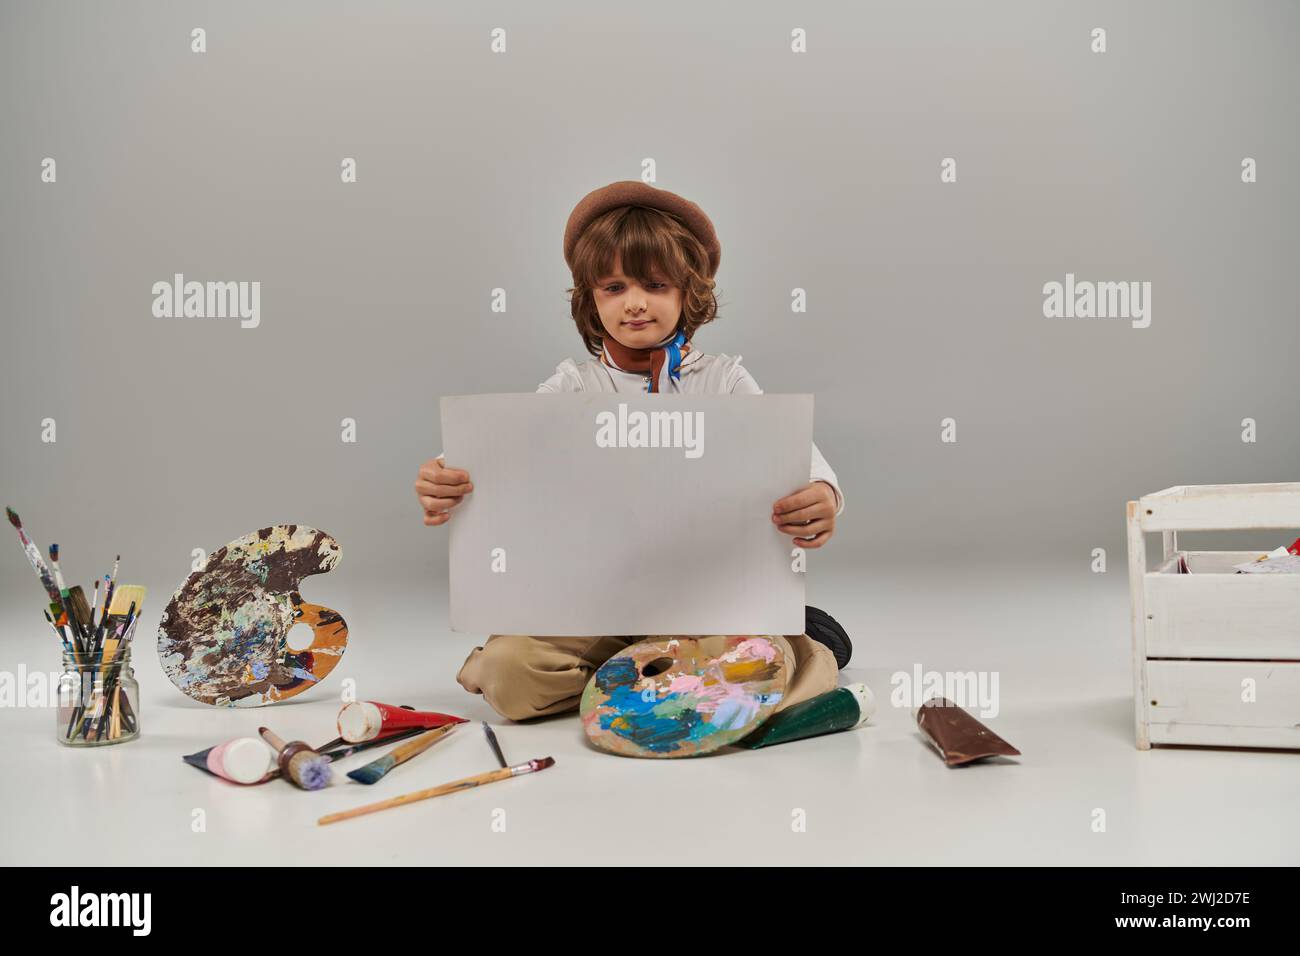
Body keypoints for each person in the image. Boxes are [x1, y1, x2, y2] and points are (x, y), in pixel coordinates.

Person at [416, 180, 851, 721]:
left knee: (757, 664)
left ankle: (791, 642)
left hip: (702, 601)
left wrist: (822, 495)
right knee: (506, 673)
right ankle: (656, 673)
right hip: (589, 606)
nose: (636, 303)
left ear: (687, 291)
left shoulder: (724, 379)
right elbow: (494, 453)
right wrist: (443, 476)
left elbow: (799, 461)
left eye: (655, 284)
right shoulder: (572, 387)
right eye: (614, 287)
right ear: (590, 299)